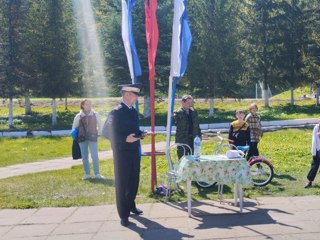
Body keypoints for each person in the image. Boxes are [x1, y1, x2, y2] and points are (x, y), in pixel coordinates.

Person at [102, 83, 149, 227]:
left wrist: (141, 134)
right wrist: (124, 139)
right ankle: (123, 214)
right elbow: (106, 133)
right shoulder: (116, 112)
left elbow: (132, 130)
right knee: (122, 183)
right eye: (135, 95)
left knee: (134, 180)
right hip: (122, 153)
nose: (136, 98)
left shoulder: (133, 111)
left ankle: (131, 204)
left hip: (134, 151)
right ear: (127, 95)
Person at [72, 99, 104, 180]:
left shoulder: (95, 114)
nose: (89, 105)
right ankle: (87, 174)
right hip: (82, 139)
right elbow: (74, 128)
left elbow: (101, 125)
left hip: (93, 137)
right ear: (82, 105)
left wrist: (99, 134)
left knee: (94, 156)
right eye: (87, 104)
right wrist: (75, 137)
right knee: (85, 157)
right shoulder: (78, 116)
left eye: (90, 104)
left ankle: (97, 174)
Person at [174, 95, 201, 159]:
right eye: (188, 103)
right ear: (183, 102)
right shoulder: (177, 113)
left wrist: (199, 135)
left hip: (193, 140)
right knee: (182, 159)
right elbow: (173, 123)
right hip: (183, 140)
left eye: (191, 103)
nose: (190, 105)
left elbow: (197, 125)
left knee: (195, 158)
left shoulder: (194, 112)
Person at [305, 120, 320, 188]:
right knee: (314, 166)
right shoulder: (316, 128)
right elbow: (314, 140)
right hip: (318, 150)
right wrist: (313, 152)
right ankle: (309, 181)